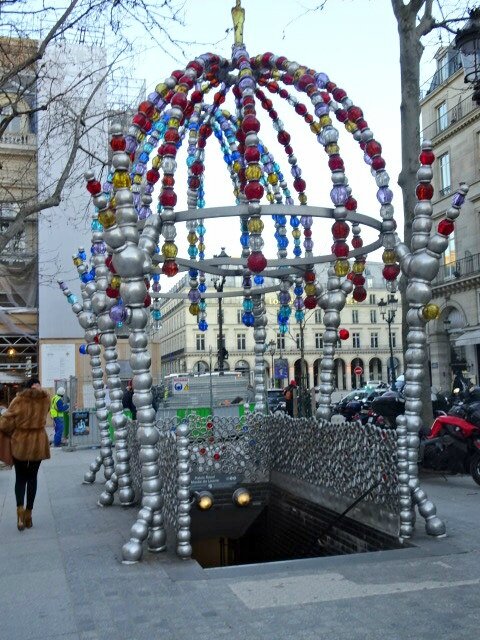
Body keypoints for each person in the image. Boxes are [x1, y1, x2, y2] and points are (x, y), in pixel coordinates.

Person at [0, 377, 50, 531]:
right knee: (32, 478)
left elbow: (6, 424)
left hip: (20, 443)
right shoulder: (46, 399)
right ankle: (29, 515)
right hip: (38, 442)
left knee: (20, 479)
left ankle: (20, 512)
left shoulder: (19, 400)